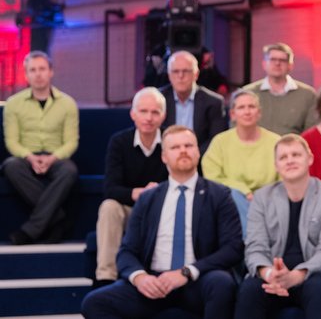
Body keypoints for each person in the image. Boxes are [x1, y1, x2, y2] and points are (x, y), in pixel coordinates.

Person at [81, 126, 243, 319]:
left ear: (198, 152)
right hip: (154, 282)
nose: (183, 150)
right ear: (164, 156)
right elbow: (127, 251)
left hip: (196, 280)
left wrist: (186, 272)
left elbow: (233, 248)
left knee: (222, 283)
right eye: (175, 147)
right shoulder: (148, 198)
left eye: (188, 145)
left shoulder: (219, 195)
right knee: (94, 303)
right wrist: (140, 277)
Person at [234, 134, 321, 319]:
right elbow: (255, 247)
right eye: (283, 157)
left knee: (317, 287)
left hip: (318, 275)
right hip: (274, 278)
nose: (290, 161)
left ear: (309, 158)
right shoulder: (262, 198)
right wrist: (269, 273)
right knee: (250, 289)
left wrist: (296, 276)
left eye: (296, 155)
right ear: (276, 165)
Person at [94, 87, 169, 288]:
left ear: (163, 116)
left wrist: (157, 193)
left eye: (155, 112)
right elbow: (110, 189)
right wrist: (140, 193)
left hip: (163, 210)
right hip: (130, 208)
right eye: (143, 111)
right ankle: (105, 278)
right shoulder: (120, 142)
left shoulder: (171, 142)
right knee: (109, 206)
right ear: (133, 114)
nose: (149, 118)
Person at [3, 50, 78, 245]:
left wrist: (53, 158)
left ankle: (31, 230)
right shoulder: (13, 104)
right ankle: (56, 217)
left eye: (42, 69)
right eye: (33, 70)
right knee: (10, 166)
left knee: (70, 170)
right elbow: (12, 141)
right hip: (25, 157)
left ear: (51, 72)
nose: (38, 74)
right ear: (26, 74)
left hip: (56, 158)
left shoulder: (68, 104)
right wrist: (29, 157)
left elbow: (71, 142)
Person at [202, 89, 281, 235]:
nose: (247, 111)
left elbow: (284, 179)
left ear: (259, 112)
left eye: (251, 107)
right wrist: (243, 191)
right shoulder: (220, 142)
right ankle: (252, 241)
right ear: (232, 114)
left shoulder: (276, 142)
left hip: (269, 201)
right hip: (231, 202)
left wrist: (260, 196)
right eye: (241, 107)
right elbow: (212, 177)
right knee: (234, 195)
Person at [242, 42, 317, 135]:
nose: (277, 63)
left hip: (293, 148)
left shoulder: (308, 95)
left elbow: (311, 133)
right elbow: (237, 127)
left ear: (291, 65)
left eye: (283, 60)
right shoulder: (247, 93)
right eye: (273, 59)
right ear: (264, 64)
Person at [160, 50, 227, 154]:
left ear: (196, 74)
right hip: (165, 162)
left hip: (201, 160)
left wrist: (191, 156)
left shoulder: (214, 102)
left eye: (186, 71)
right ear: (169, 75)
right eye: (175, 71)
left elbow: (216, 140)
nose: (180, 76)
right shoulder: (158, 100)